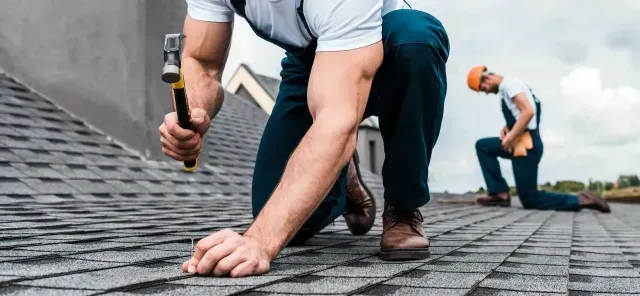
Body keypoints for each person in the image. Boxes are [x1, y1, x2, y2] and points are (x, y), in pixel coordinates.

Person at [158, 0, 449, 277]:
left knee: (416, 41)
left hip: (387, 44)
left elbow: (337, 119)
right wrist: (194, 113)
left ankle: (403, 206)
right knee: (282, 217)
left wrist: (258, 240)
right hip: (310, 60)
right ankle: (343, 176)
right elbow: (202, 62)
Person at [466, 65, 611, 213]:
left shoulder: (509, 85)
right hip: (522, 142)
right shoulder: (511, 86)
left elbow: (528, 112)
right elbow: (525, 111)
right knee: (483, 146)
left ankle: (581, 200)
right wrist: (508, 127)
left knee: (530, 199)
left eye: (483, 88)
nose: (486, 92)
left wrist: (510, 136)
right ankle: (499, 193)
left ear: (487, 77)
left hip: (526, 147)